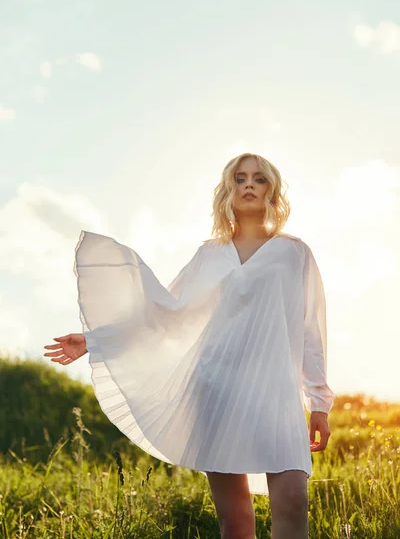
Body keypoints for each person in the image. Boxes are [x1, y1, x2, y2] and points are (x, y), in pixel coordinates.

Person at [44, 152, 334, 539]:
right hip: (215, 389)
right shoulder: (209, 254)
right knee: (235, 522)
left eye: (259, 179)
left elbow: (310, 329)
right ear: (228, 192)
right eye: (240, 179)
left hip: (275, 393)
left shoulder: (294, 253)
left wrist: (318, 403)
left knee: (293, 504)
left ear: (272, 191)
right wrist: (94, 339)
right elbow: (165, 312)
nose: (249, 185)